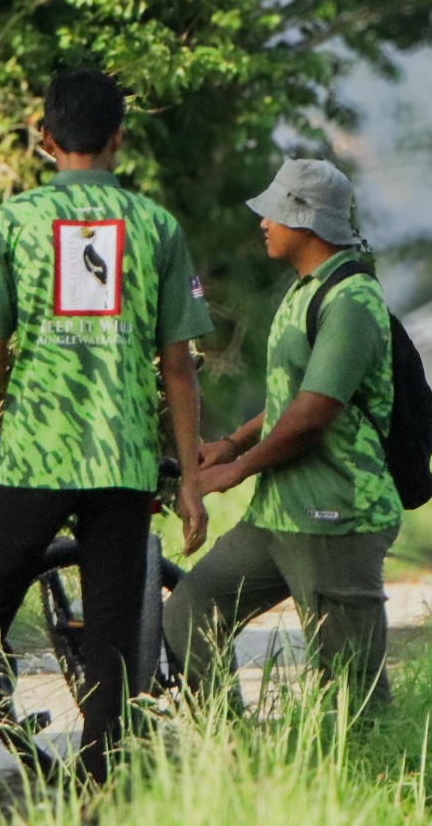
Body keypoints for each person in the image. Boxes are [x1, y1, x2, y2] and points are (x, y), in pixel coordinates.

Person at [0, 68, 211, 826]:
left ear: (43, 137)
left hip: (34, 457)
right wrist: (192, 477)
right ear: (119, 139)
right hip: (123, 461)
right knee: (111, 635)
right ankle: (101, 807)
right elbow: (178, 365)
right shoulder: (158, 228)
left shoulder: (11, 223)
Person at [165, 158, 399, 707]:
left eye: (274, 213)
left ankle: (379, 787)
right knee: (192, 611)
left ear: (308, 220)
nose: (263, 223)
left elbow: (314, 415)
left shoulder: (352, 301)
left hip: (333, 516)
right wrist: (233, 441)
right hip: (278, 515)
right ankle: (231, 756)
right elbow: (290, 401)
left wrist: (234, 470)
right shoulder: (304, 291)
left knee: (354, 697)